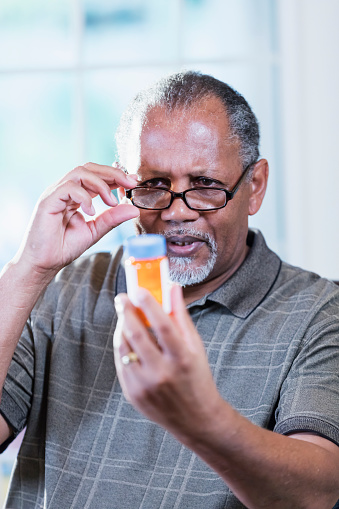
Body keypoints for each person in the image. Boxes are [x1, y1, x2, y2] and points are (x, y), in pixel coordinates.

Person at [0, 71, 338, 509]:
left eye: (205, 185)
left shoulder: (320, 313)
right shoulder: (68, 287)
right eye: (155, 185)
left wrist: (199, 417)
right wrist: (29, 268)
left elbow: (316, 492)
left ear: (253, 188)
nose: (177, 213)